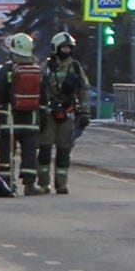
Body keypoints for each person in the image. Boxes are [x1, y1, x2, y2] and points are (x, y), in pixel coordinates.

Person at [0, 33, 43, 194]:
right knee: (30, 154)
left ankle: (6, 183)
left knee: (6, 153)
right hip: (31, 121)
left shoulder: (7, 69)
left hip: (9, 120)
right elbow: (44, 97)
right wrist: (42, 119)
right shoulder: (37, 70)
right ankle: (30, 185)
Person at [37, 31, 91, 195]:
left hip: (67, 114)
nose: (66, 50)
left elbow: (83, 90)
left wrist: (85, 113)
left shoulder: (75, 67)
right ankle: (43, 184)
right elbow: (38, 90)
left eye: (69, 47)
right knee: (45, 149)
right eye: (63, 47)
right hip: (48, 114)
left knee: (64, 150)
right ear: (56, 48)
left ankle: (61, 184)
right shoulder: (45, 68)